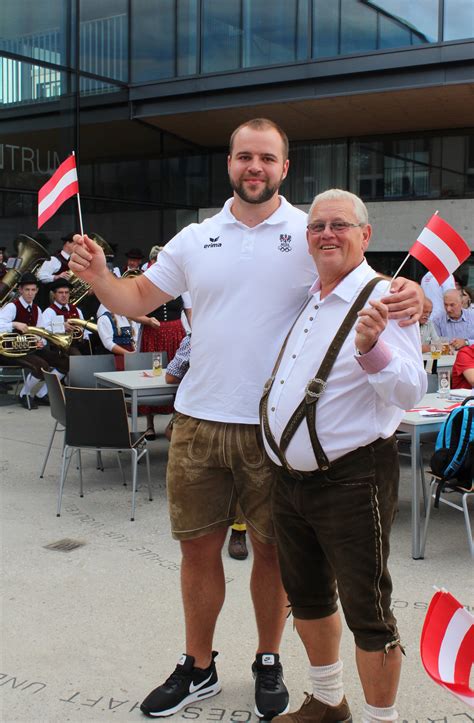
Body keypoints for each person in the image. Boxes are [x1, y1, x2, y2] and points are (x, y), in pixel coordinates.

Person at [69, 118, 423, 721]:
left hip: (276, 433)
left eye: (266, 157)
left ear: (286, 168)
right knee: (198, 552)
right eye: (243, 157)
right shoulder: (195, 237)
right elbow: (137, 300)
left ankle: (269, 660)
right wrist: (101, 277)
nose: (254, 167)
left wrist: (409, 294)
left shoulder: (312, 231)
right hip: (199, 419)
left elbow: (361, 282)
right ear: (229, 164)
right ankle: (199, 667)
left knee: (276, 558)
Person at [261, 189, 426, 723]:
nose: (327, 233)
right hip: (290, 479)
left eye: (340, 224)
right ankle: (329, 702)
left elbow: (409, 392)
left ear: (366, 235)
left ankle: (382, 720)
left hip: (353, 477)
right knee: (306, 597)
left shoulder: (387, 297)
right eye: (317, 226)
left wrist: (373, 349)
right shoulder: (311, 296)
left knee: (369, 611)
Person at [165, 333, 249, 559]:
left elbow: (171, 377)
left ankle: (236, 532)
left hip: (227, 416)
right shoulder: (200, 334)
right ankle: (237, 534)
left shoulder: (196, 335)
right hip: (216, 413)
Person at [0, 273, 68, 408]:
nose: (30, 293)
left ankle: (42, 394)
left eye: (33, 290)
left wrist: (40, 341)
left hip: (29, 349)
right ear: (20, 290)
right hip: (9, 351)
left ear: (37, 290)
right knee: (41, 366)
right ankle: (24, 394)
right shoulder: (12, 307)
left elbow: (40, 331)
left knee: (65, 362)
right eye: (27, 290)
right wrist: (14, 324)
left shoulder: (37, 309)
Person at [42, 279, 91, 356]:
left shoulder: (76, 310)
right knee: (77, 355)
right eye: (60, 292)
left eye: (66, 292)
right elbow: (43, 330)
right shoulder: (49, 311)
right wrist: (61, 327)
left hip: (79, 344)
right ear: (54, 295)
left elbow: (84, 328)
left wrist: (86, 338)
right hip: (61, 348)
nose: (64, 295)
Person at [96, 304, 139, 371]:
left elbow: (136, 339)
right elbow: (108, 344)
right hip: (115, 359)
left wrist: (135, 353)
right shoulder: (104, 318)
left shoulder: (130, 318)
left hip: (132, 357)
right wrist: (128, 354)